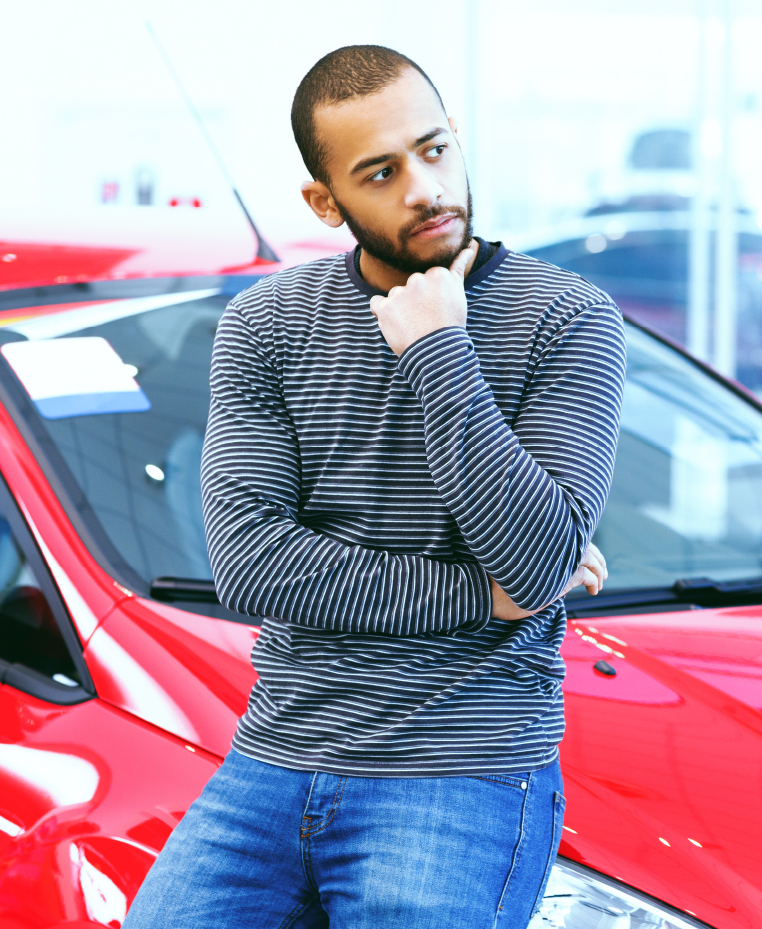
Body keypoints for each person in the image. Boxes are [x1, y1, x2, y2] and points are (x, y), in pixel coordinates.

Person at [124, 45, 626, 928]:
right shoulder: (266, 324)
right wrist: (492, 595)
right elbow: (253, 568)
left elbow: (541, 558)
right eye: (381, 172)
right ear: (326, 201)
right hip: (273, 758)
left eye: (434, 151)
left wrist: (439, 352)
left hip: (459, 769)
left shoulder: (567, 319)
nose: (424, 189)